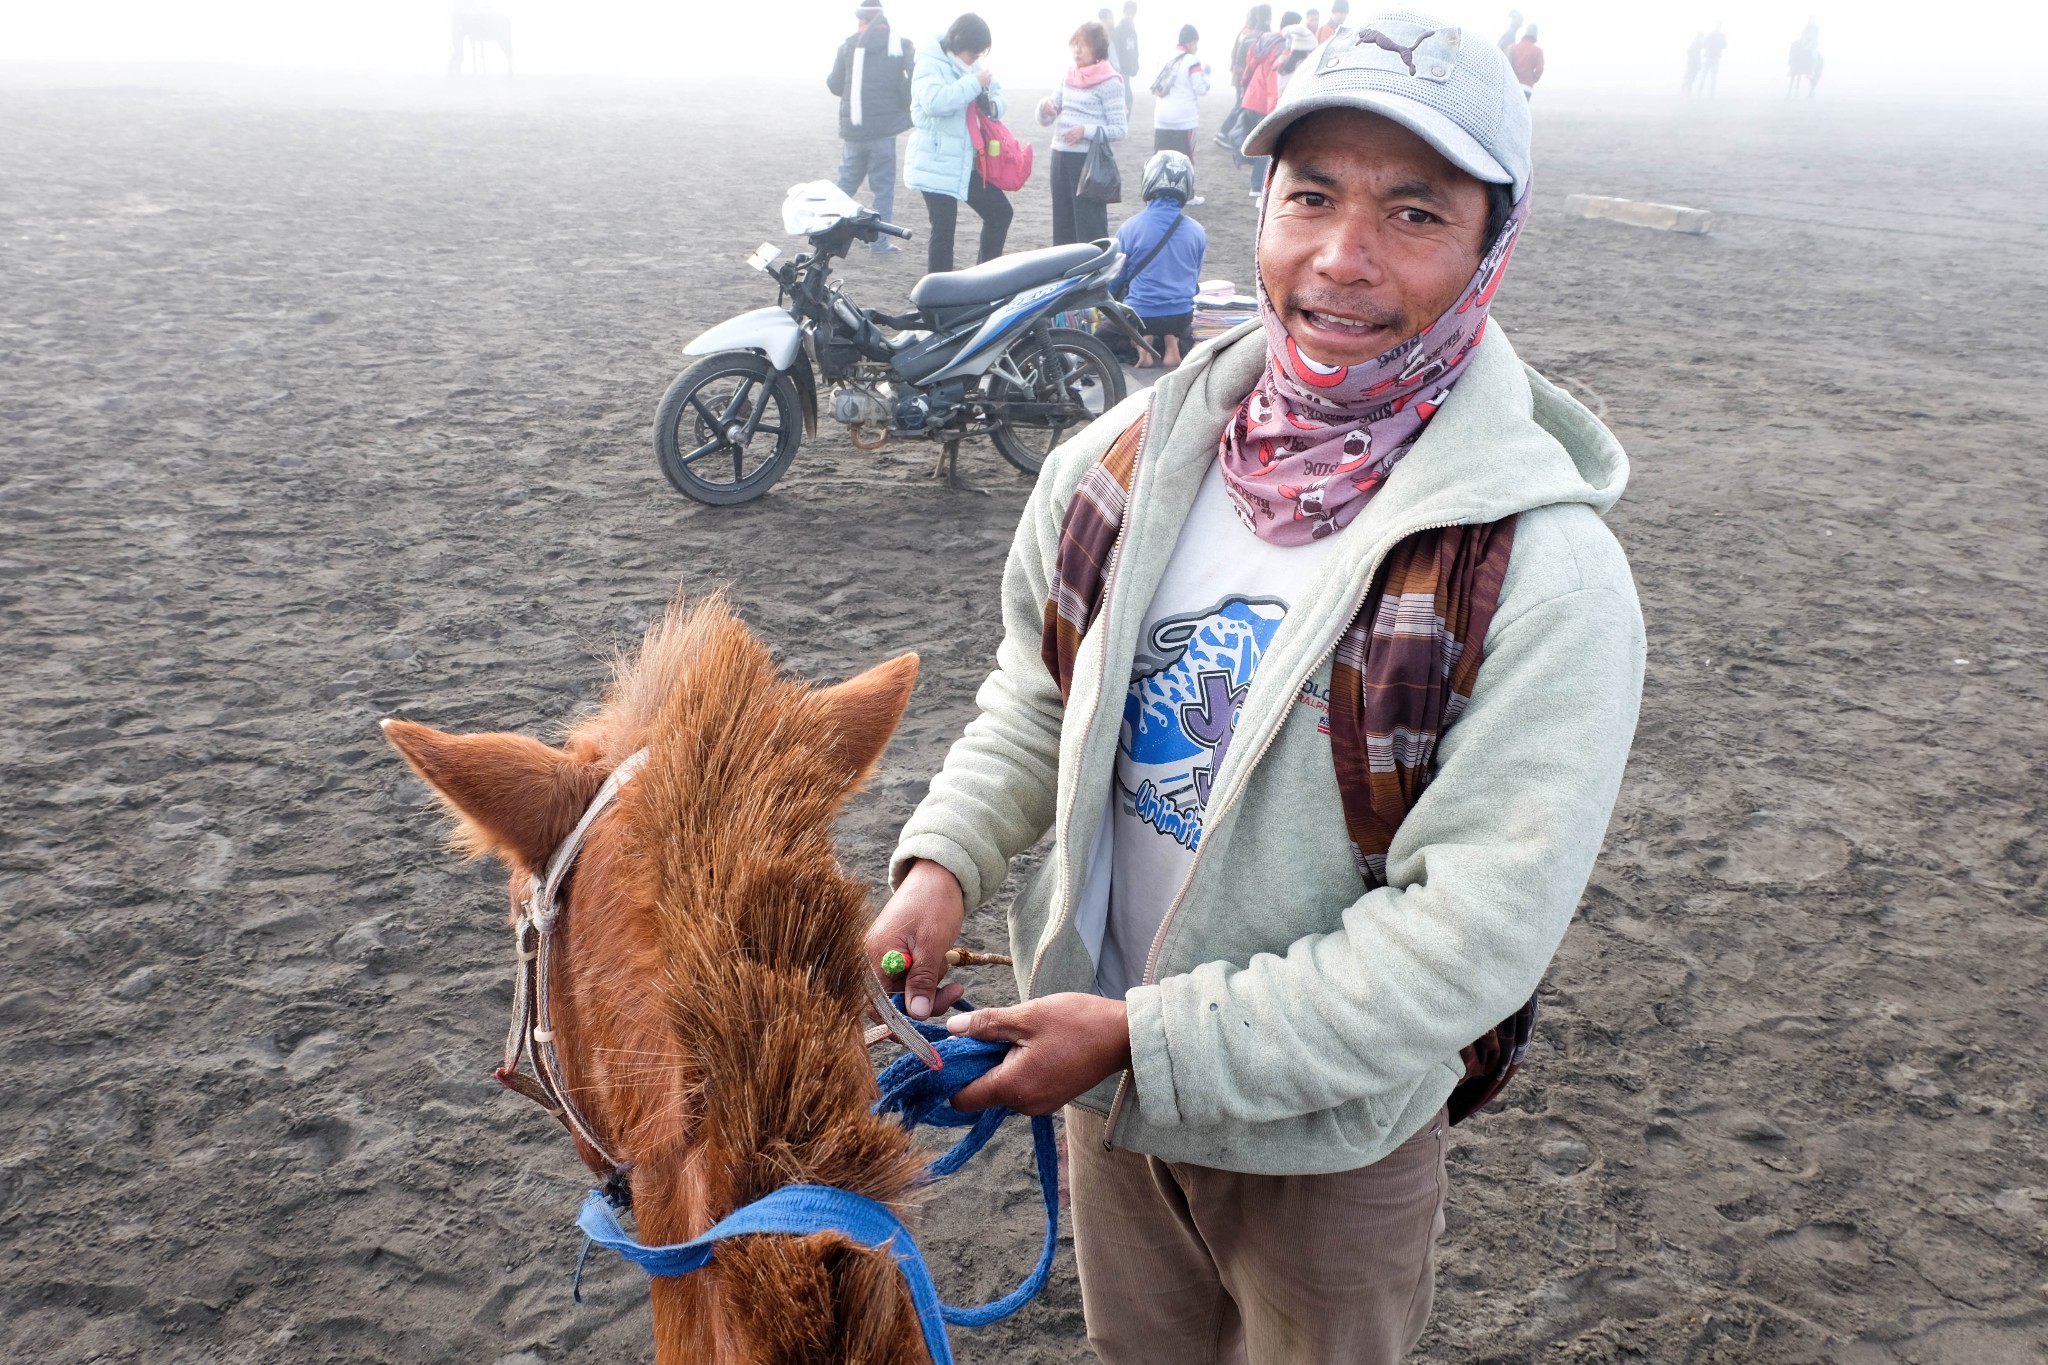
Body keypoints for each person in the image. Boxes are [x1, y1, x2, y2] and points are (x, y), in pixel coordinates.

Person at [869, 7, 1644, 1360]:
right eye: (1312, 196)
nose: (1343, 258)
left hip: (1325, 1149)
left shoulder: (1540, 577)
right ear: (1263, 205)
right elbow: (1040, 698)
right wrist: (941, 862)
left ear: (1490, 249)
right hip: (1108, 1101)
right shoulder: (1119, 464)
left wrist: (1139, 1042)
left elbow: (1460, 941)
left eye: (1414, 212)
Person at [904, 14, 1013, 274]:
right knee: (943, 231)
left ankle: (984, 281)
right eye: (973, 53)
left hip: (966, 159)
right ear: (956, 42)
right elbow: (935, 103)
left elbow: (997, 92)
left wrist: (993, 105)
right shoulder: (929, 64)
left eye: (979, 55)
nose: (976, 58)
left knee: (1000, 213)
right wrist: (974, 84)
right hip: (936, 158)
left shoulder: (971, 66)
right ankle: (938, 304)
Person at [827, 3, 916, 256]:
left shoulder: (848, 45)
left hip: (855, 130)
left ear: (862, 20)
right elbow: (915, 75)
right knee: (883, 190)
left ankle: (827, 237)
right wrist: (902, 102)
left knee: (844, 187)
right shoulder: (899, 44)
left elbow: (834, 85)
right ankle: (879, 245)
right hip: (883, 131)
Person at [1112, 150, 1207, 368]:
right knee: (1183, 331)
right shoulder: (1197, 231)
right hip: (1180, 316)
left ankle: (1141, 344)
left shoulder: (1130, 227)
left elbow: (1116, 277)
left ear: (1149, 181)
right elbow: (1193, 280)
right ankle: (1172, 343)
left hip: (1140, 315)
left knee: (1104, 337)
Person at [1039, 21, 1130, 246]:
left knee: (1090, 228)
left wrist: (1085, 131)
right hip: (1059, 156)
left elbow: (1120, 129)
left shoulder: (1111, 82)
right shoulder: (1069, 75)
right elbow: (1048, 116)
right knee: (1062, 225)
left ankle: (1095, 278)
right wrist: (1045, 108)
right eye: (1074, 45)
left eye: (1083, 45)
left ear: (1097, 49)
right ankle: (1062, 277)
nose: (1077, 51)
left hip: (1088, 163)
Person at [1238, 15, 1305, 201]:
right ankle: (1260, 189)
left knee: (1257, 142)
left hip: (1253, 95)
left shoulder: (1265, 40)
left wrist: (1244, 85)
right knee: (1266, 146)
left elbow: (1249, 63)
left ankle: (1254, 186)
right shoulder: (1282, 46)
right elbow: (1274, 80)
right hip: (1266, 100)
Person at [1150, 24, 1210, 163]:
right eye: (1196, 43)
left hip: (1161, 119)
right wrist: (1206, 75)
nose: (1196, 48)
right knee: (1183, 163)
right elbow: (1200, 88)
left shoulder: (1164, 58)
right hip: (1184, 121)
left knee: (1160, 163)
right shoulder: (1191, 60)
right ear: (1191, 42)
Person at [1216, 5, 1270, 151]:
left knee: (1242, 105)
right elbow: (1241, 56)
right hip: (1245, 76)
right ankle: (1224, 132)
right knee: (1241, 105)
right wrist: (1242, 75)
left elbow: (1236, 54)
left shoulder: (1246, 32)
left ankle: (1228, 134)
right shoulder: (1252, 33)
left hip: (1241, 75)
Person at [1112, 2, 1141, 113]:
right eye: (1128, 13)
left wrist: (1135, 65)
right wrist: (1118, 70)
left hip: (1127, 71)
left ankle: (1123, 126)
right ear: (1124, 12)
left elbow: (1134, 50)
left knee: (1127, 99)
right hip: (1121, 71)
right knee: (1127, 98)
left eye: (1132, 13)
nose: (1130, 15)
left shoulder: (1131, 30)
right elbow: (1117, 52)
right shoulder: (1119, 30)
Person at [1509, 23, 1543, 98]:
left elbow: (1509, 65)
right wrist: (1531, 79)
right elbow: (1539, 70)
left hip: (1513, 86)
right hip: (1527, 88)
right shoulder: (1538, 51)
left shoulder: (1514, 47)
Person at [1701, 21, 1727, 95]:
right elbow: (1704, 42)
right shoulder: (1711, 35)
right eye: (1717, 26)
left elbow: (1725, 46)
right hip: (1709, 57)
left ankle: (1711, 94)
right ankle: (1700, 92)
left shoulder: (1721, 36)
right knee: (1705, 75)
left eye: (1719, 26)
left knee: (1712, 77)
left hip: (1715, 58)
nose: (1718, 27)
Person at [1683, 30, 1704, 95]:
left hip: (1694, 64)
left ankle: (1685, 89)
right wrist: (1692, 61)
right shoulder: (1695, 43)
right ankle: (1687, 90)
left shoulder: (1697, 43)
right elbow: (1689, 51)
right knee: (1691, 77)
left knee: (1690, 77)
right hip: (1693, 64)